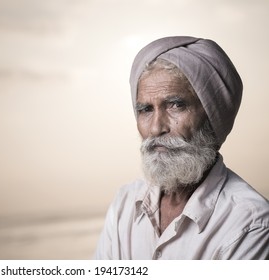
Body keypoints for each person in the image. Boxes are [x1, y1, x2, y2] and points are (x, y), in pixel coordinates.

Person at [94, 36, 269, 259]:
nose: (156, 128)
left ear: (211, 116)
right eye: (146, 109)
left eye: (176, 105)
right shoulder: (125, 204)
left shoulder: (250, 224)